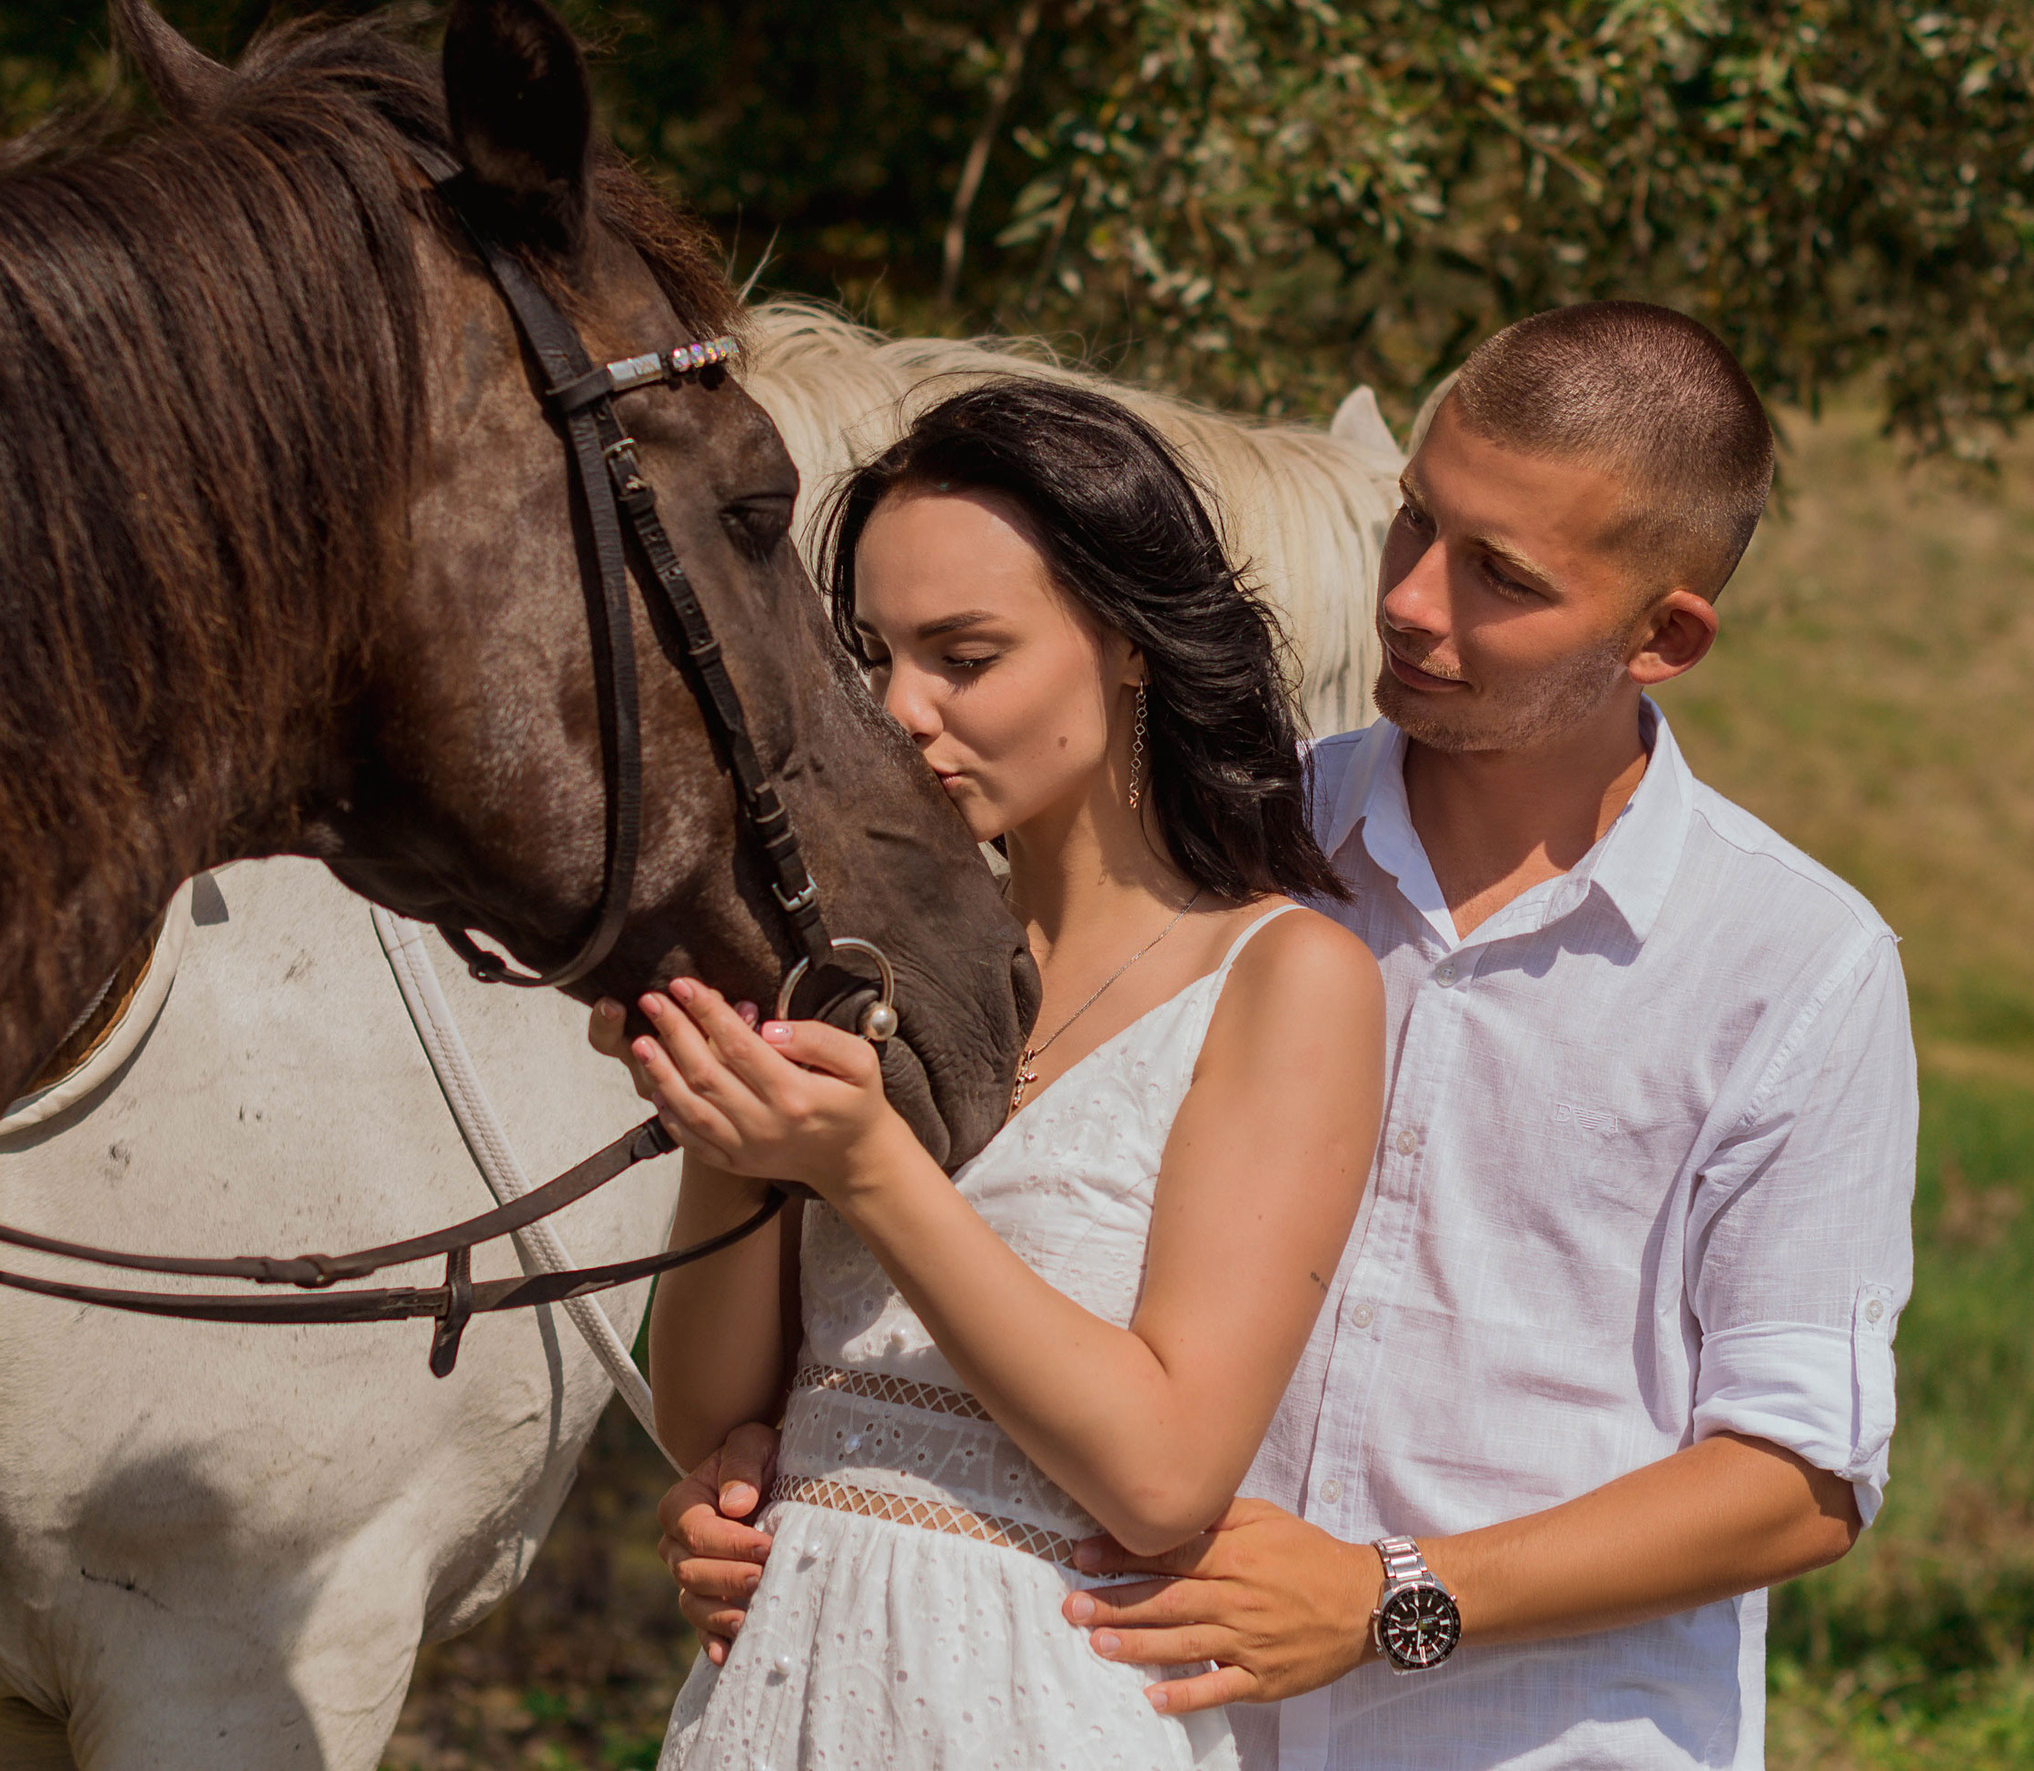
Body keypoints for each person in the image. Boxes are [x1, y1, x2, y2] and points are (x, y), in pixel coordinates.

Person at [660, 302, 1918, 1770]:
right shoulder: (1240, 842)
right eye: (1412, 527)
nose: (1412, 602)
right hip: (1128, 1708)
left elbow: (1798, 1478)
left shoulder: (1790, 966)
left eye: (1500, 576)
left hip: (1521, 1740)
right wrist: (786, 1485)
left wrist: (1393, 1600)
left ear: (1665, 636)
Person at [602, 377, 1385, 1769]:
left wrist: (866, 1167)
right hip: (781, 1683)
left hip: (1038, 1698)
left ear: (1130, 645)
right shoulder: (858, 957)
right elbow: (709, 1423)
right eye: (870, 657)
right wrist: (736, 1119)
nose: (899, 710)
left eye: (965, 656)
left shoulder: (1283, 982)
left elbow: (1162, 1472)